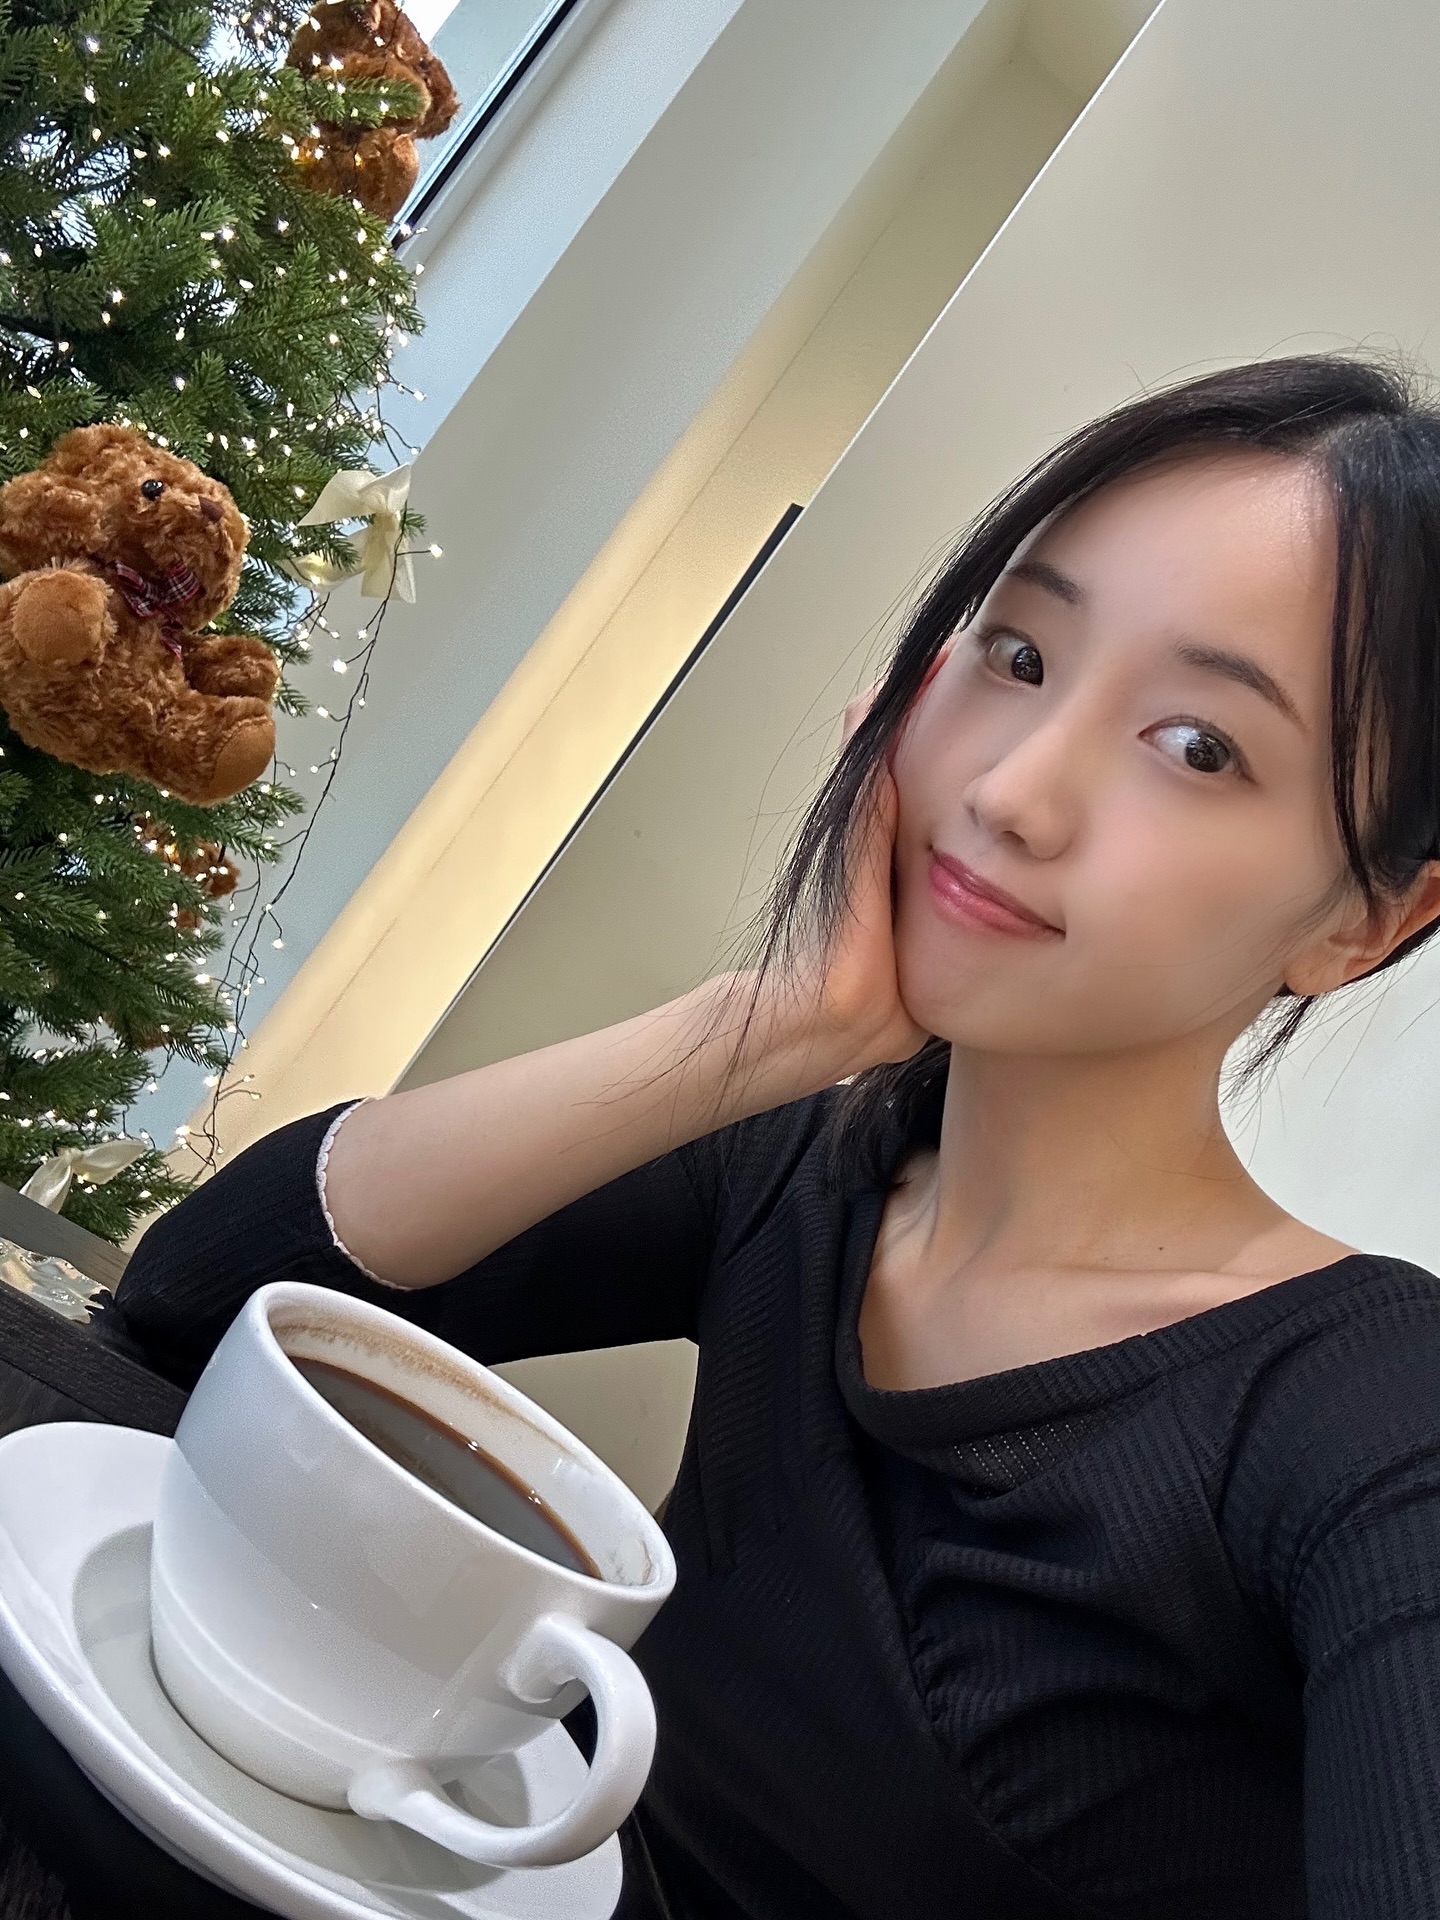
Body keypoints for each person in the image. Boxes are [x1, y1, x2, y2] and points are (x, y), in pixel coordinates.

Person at [117, 353, 1440, 1919]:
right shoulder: (813, 1165)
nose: (1015, 791)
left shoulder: (1373, 1418)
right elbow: (193, 1309)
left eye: (1199, 747)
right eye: (1019, 653)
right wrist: (770, 1027)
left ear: (1366, 923)